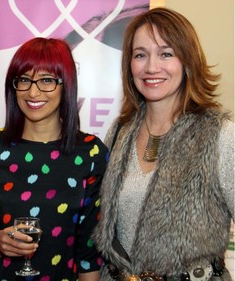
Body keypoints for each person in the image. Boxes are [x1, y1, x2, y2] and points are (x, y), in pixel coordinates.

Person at [93, 7, 234, 281]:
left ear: (188, 61)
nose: (151, 67)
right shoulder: (118, 132)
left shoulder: (221, 135)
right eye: (140, 55)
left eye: (166, 53)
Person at [0, 37, 109, 281]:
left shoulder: (90, 152)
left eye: (47, 80)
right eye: (24, 80)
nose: (33, 92)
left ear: (65, 85)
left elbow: (89, 248)